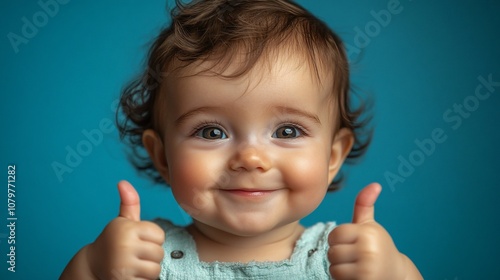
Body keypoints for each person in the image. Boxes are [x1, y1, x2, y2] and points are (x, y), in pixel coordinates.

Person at [61, 0, 423, 279]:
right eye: (211, 132)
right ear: (162, 156)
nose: (251, 158)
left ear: (332, 156)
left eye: (287, 131)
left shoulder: (345, 259)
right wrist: (92, 268)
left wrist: (396, 271)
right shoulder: (148, 258)